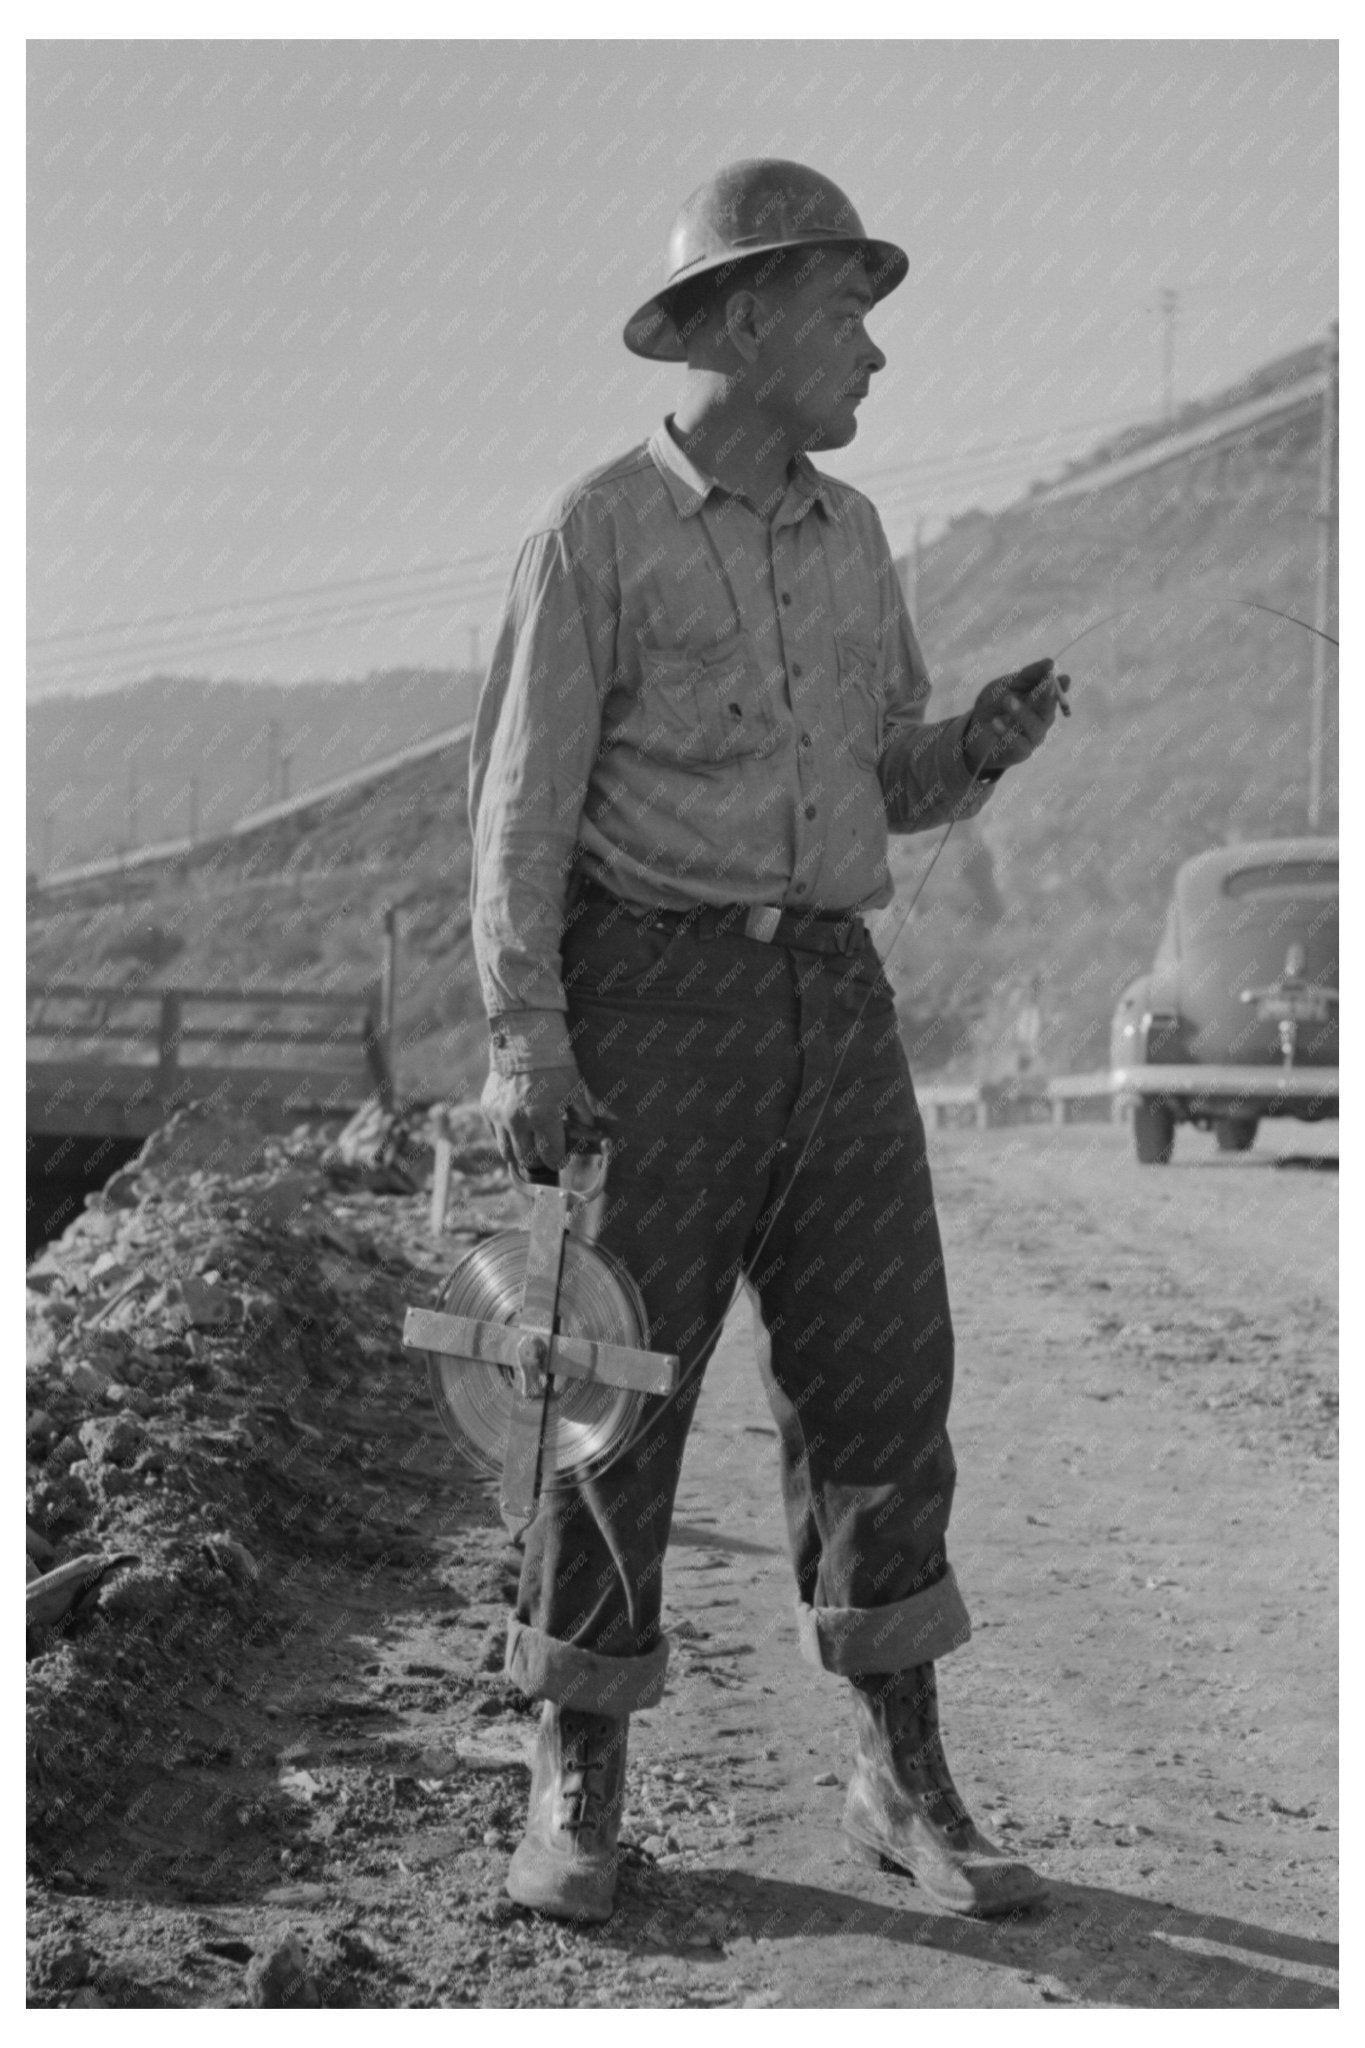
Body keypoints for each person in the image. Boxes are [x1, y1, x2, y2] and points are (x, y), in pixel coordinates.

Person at [470, 159, 1067, 1925]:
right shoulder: (591, 534)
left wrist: (971, 744)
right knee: (609, 1395)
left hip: (832, 1001)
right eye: (844, 312)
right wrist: (528, 1042)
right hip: (651, 1001)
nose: (872, 353)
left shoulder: (856, 535)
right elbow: (517, 815)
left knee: (886, 1374)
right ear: (742, 319)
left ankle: (904, 1772)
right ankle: (575, 1773)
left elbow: (885, 775)